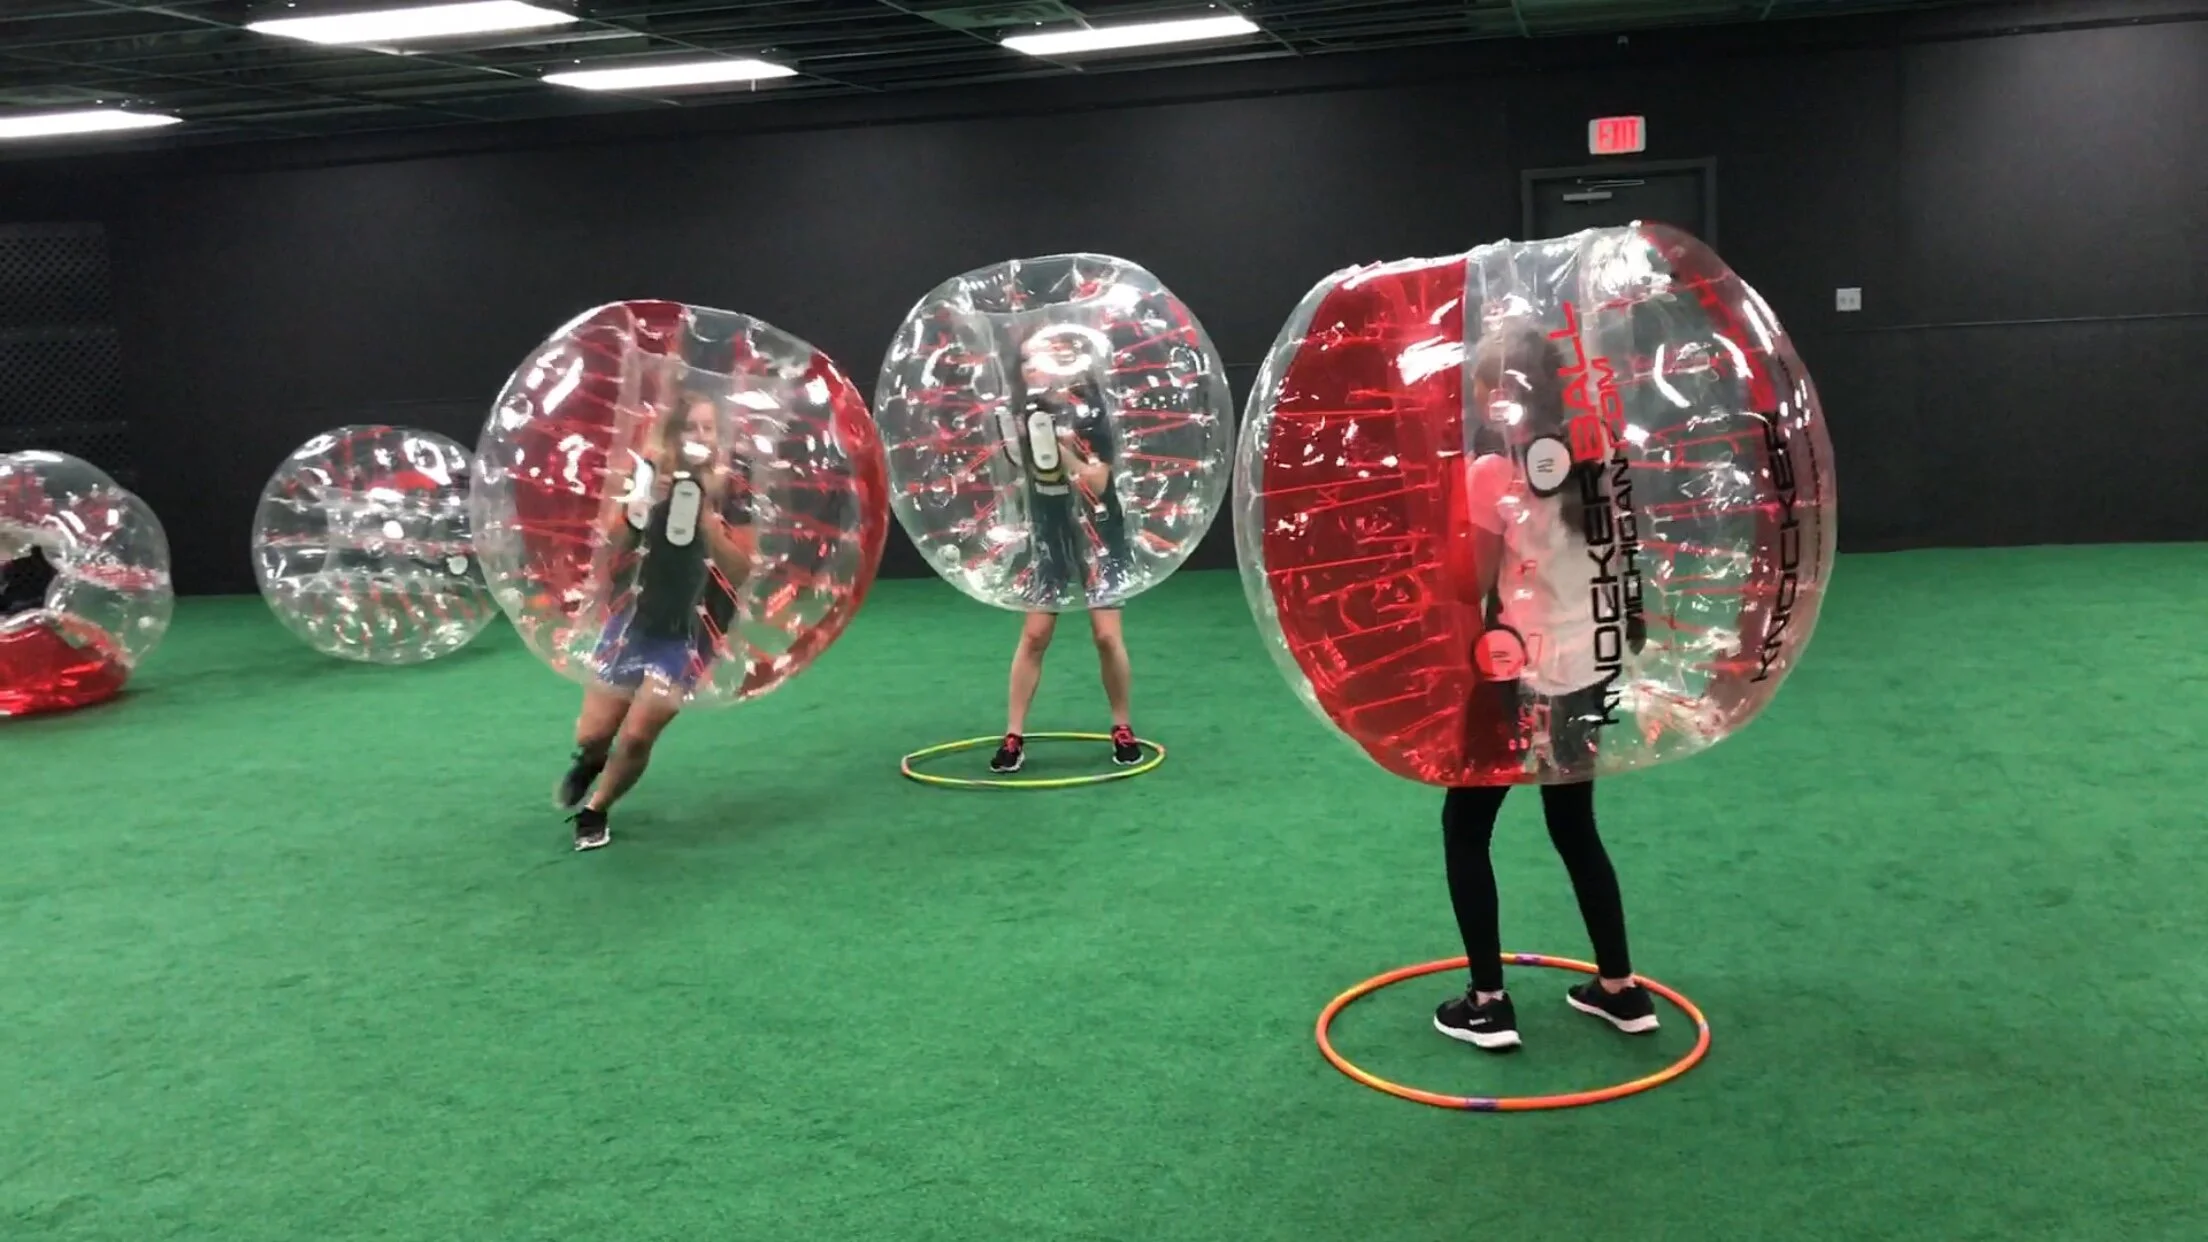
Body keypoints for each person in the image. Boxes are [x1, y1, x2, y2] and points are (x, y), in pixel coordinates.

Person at [1432, 319, 1658, 1052]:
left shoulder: (1493, 472)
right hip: (1586, 670)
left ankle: (1488, 1002)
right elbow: (1624, 577)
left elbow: (1467, 579)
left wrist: (1449, 519)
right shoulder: (1597, 462)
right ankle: (1621, 989)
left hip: (1514, 678)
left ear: (1496, 392)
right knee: (1573, 825)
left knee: (1466, 828)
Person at [554, 378, 754, 851]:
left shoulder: (735, 487)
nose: (700, 436)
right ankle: (590, 759)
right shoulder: (642, 473)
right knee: (594, 732)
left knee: (640, 735)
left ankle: (595, 809)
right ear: (670, 433)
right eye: (690, 427)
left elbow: (743, 570)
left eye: (709, 427)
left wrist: (708, 522)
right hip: (634, 620)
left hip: (693, 628)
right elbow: (606, 552)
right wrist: (636, 512)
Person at [989, 326, 1140, 774]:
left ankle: (1121, 726)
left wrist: (1064, 448)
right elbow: (1014, 474)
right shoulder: (1022, 411)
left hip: (1100, 530)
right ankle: (1013, 735)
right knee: (1035, 636)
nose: (1034, 368)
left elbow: (1098, 482)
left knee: (1106, 635)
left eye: (1044, 358)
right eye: (1028, 361)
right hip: (1049, 532)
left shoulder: (1094, 411)